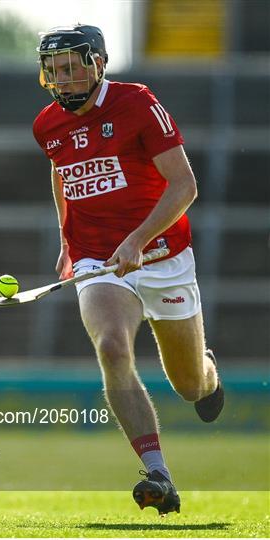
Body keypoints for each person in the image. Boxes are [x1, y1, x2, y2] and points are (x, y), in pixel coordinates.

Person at [33, 24, 224, 515]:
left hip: (165, 260)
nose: (64, 77)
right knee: (112, 345)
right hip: (98, 260)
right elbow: (62, 172)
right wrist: (66, 240)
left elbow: (184, 185)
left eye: (73, 66)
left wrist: (138, 239)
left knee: (189, 386)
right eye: (55, 69)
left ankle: (207, 373)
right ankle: (157, 471)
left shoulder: (137, 103)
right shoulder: (47, 125)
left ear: (98, 63)